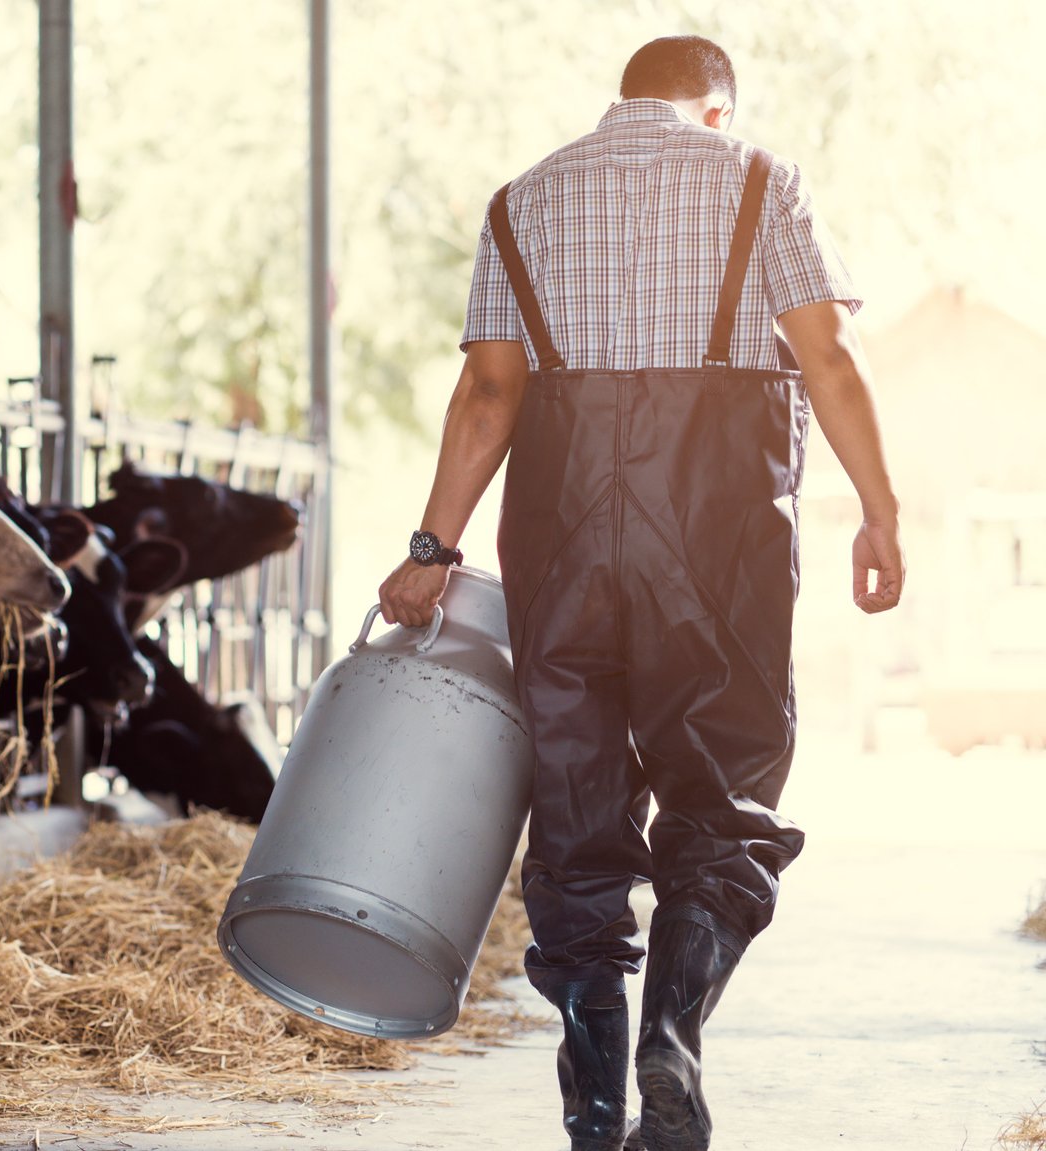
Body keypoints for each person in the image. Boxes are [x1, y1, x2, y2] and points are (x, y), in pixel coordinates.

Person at [375, 35, 905, 1151]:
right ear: (716, 109)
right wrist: (879, 508)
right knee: (721, 794)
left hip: (559, 539)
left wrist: (432, 546)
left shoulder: (521, 201)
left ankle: (592, 1102)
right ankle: (671, 1030)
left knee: (575, 810)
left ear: (624, 101)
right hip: (715, 540)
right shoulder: (760, 178)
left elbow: (486, 392)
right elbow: (830, 359)